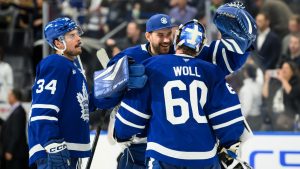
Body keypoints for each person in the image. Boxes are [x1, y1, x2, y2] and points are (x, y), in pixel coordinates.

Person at [104, 11, 256, 168]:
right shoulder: (211, 70)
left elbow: (131, 116)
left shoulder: (152, 66)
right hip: (202, 155)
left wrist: (121, 132)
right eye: (160, 35)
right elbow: (228, 118)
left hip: (163, 151)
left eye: (168, 34)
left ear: (176, 38)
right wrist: (230, 146)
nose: (165, 40)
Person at [27, 17, 125, 169]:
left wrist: (109, 92)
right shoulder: (55, 63)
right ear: (58, 43)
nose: (78, 38)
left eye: (77, 34)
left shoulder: (74, 68)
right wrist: (52, 143)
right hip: (54, 149)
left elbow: (83, 105)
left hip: (67, 150)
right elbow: (42, 110)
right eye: (71, 35)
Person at [0, 89, 28, 169]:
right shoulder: (16, 110)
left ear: (13, 97)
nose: (8, 98)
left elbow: (16, 133)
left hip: (16, 153)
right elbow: (8, 126)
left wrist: (10, 151)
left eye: (9, 95)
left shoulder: (18, 111)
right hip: (14, 153)